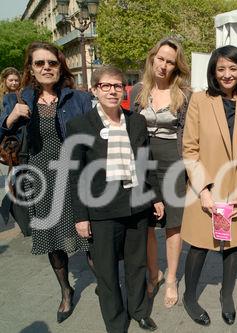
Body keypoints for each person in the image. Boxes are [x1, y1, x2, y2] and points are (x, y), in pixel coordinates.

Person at [0, 41, 94, 323]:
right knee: (52, 239)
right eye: (40, 63)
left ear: (60, 65)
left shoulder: (76, 97)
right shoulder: (19, 99)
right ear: (31, 67)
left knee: (89, 235)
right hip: (40, 178)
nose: (46, 68)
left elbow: (94, 133)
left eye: (52, 63)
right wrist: (10, 119)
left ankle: (104, 280)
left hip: (75, 175)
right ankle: (66, 291)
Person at [67, 66, 164, 333]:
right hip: (102, 210)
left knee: (137, 264)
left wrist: (155, 197)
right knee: (107, 273)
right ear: (95, 89)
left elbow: (146, 163)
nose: (112, 91)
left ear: (124, 89)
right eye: (106, 86)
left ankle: (140, 311)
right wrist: (81, 216)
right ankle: (116, 322)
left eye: (117, 86)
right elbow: (75, 175)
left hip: (136, 205)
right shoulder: (79, 125)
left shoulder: (136, 121)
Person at [181, 45, 237, 326]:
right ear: (213, 72)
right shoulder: (200, 101)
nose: (227, 74)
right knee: (199, 247)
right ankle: (189, 297)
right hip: (205, 189)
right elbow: (190, 150)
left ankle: (226, 296)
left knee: (232, 246)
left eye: (233, 68)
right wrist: (202, 191)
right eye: (221, 69)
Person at [130, 37, 191, 308]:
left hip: (173, 161)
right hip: (144, 161)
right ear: (152, 57)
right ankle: (153, 273)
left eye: (170, 61)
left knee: (172, 225)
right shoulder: (138, 91)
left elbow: (190, 135)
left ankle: (172, 278)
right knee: (147, 225)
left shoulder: (185, 94)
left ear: (176, 66)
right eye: (161, 58)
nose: (164, 65)